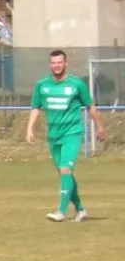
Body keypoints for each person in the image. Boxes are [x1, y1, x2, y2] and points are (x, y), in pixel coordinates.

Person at [26, 49, 105, 221]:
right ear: (50, 64)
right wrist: (30, 128)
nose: (56, 66)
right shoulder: (42, 85)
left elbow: (90, 107)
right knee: (64, 174)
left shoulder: (76, 84)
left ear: (65, 63)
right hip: (54, 135)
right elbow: (36, 107)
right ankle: (80, 209)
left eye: (59, 62)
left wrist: (100, 127)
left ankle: (61, 212)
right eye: (53, 63)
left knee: (65, 170)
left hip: (72, 133)